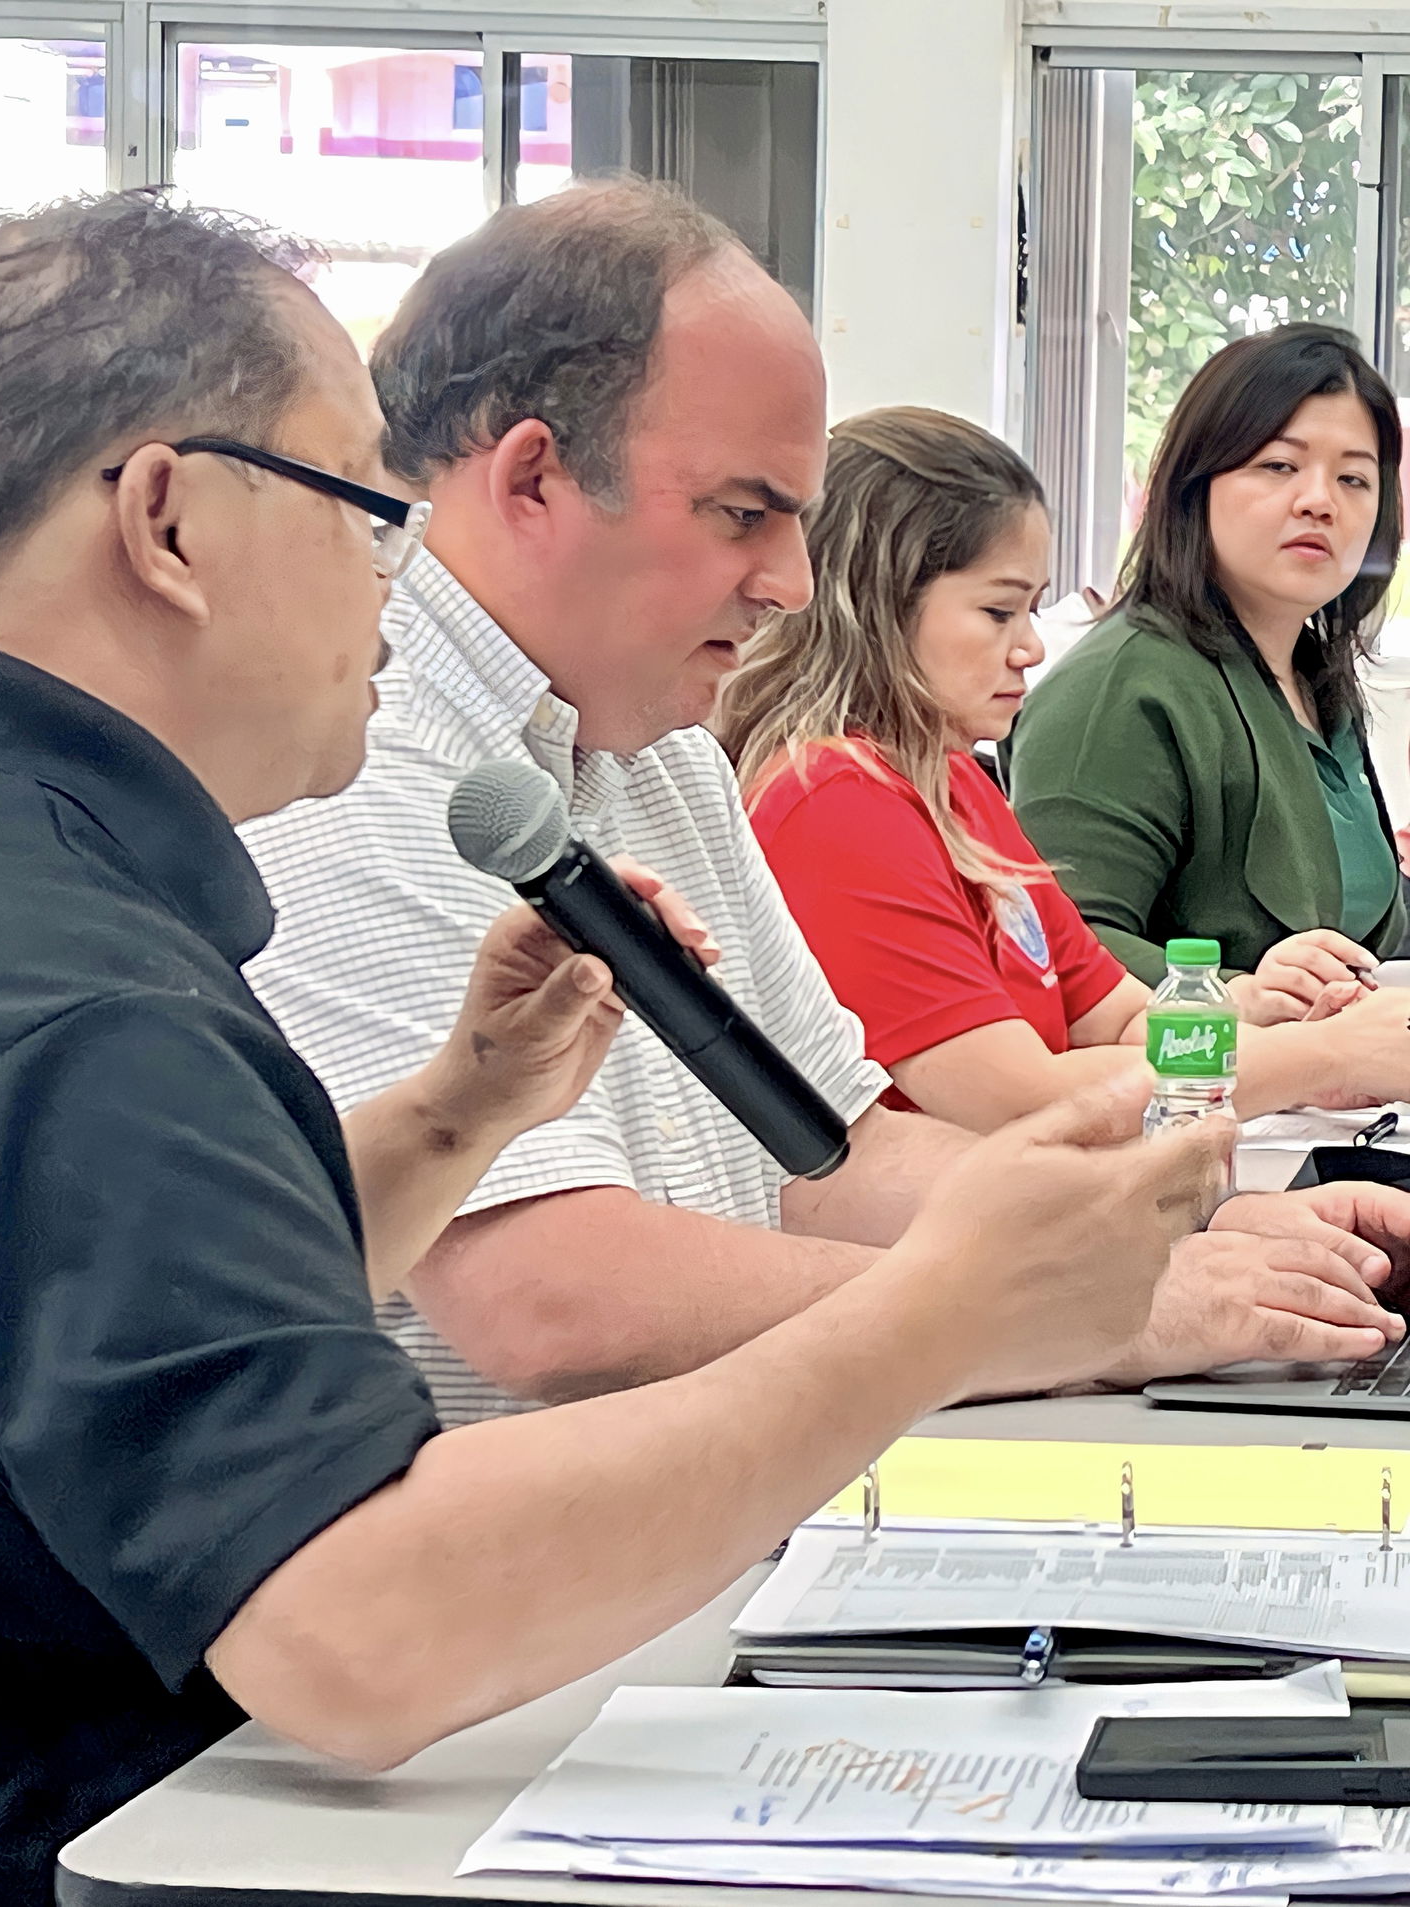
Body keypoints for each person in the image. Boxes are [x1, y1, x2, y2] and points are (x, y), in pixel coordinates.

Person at [0, 191, 1235, 1907]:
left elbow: (85, 1326)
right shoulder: (67, 991)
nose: (393, 586)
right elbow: (362, 1630)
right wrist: (949, 1314)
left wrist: (448, 1121)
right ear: (170, 523)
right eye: (359, 516)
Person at [241, 179, 1407, 1431]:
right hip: (542, 1579)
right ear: (532, 479)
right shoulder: (362, 762)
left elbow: (839, 1153)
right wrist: (1085, 1310)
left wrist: (1184, 1236)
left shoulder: (660, 756)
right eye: (743, 513)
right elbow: (551, 1300)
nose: (794, 584)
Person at [719, 405, 1410, 1136]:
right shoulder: (834, 803)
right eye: (997, 612)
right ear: (877, 606)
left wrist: (1251, 1020)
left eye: (1031, 612)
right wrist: (1320, 1059)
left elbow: (1117, 1016)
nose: (1031, 649)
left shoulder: (953, 785)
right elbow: (1020, 1097)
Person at [1008, 322, 1407, 1023]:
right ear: (1197, 484)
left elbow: (1377, 927)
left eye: (1354, 478)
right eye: (1279, 466)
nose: (1321, 500)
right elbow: (1058, 954)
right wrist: (1233, 991)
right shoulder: (1124, 687)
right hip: (1192, 1108)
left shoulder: (1315, 678)